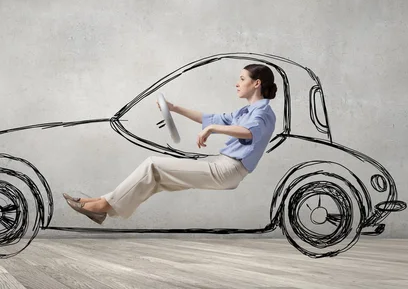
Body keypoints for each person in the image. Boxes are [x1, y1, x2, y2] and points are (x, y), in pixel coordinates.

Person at [63, 63, 278, 225]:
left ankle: (101, 206)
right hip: (225, 166)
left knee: (153, 165)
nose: (237, 83)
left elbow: (249, 133)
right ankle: (101, 205)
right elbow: (209, 117)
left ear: (256, 83)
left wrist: (213, 130)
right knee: (155, 179)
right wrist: (174, 108)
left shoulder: (262, 113)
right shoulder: (244, 111)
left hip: (229, 169)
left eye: (242, 79)